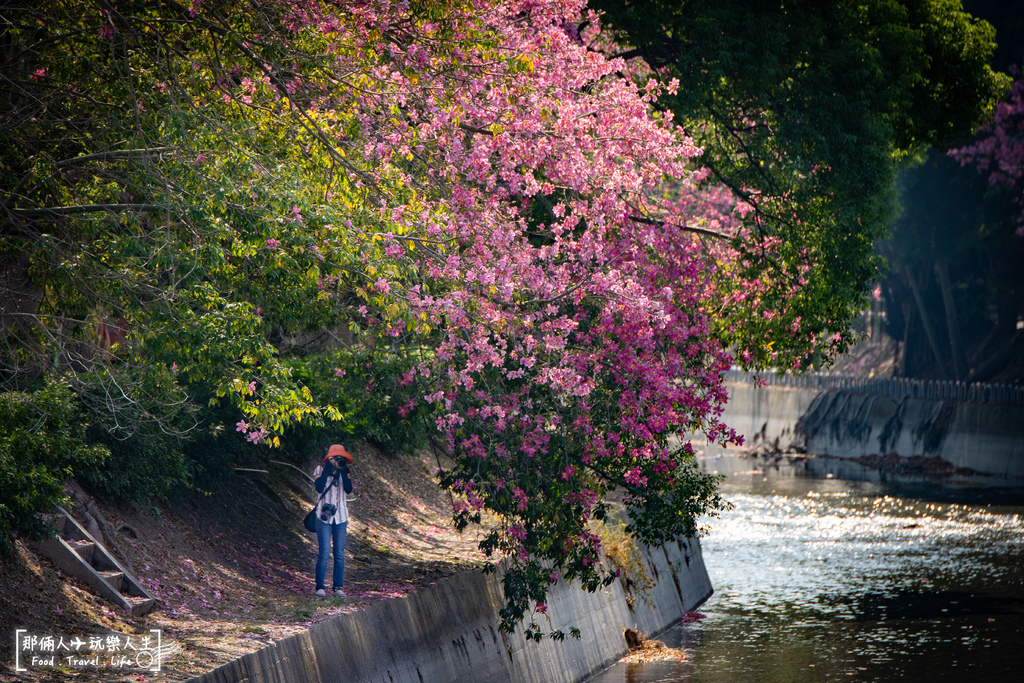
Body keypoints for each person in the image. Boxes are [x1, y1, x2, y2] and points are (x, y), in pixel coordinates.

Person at [312, 444, 353, 597]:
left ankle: (337, 587)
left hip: (341, 517)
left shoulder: (345, 470)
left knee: (339, 553)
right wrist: (328, 468)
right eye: (335, 457)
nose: (338, 460)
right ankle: (320, 587)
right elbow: (319, 487)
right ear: (328, 458)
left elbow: (348, 489)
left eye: (340, 458)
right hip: (323, 517)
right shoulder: (320, 469)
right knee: (324, 552)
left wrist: (342, 470)